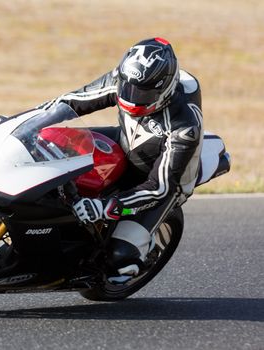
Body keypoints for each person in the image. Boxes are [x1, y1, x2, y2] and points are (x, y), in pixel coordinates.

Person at [38, 37, 203, 283]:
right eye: (128, 88)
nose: (132, 97)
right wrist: (24, 123)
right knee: (50, 142)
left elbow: (160, 188)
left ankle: (137, 254)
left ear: (164, 89)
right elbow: (70, 102)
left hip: (162, 180)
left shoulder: (184, 127)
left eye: (143, 92)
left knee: (119, 260)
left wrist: (105, 206)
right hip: (127, 142)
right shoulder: (126, 78)